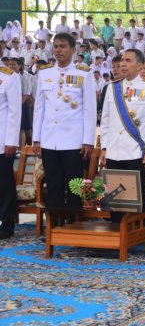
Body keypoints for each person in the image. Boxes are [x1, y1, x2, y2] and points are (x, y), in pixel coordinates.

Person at [32, 33, 97, 210]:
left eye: (62, 46)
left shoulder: (84, 74)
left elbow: (89, 110)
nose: (58, 50)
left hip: (73, 139)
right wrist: (37, 139)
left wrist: (88, 140)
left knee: (74, 185)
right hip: (49, 139)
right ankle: (54, 228)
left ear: (73, 50)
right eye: (56, 46)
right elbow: (39, 109)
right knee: (53, 185)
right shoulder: (45, 73)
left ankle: (72, 226)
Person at [99, 49, 145, 212]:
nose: (122, 64)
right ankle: (117, 231)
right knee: (114, 195)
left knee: (138, 195)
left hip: (135, 151)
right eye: (122, 60)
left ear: (139, 66)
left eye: (128, 60)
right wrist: (104, 147)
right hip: (114, 150)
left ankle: (140, 234)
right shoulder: (112, 88)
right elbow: (105, 120)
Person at [0, 64, 21, 239]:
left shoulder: (9, 76)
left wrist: (12, 140)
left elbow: (15, 111)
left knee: (4, 182)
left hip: (2, 140)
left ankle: (6, 223)